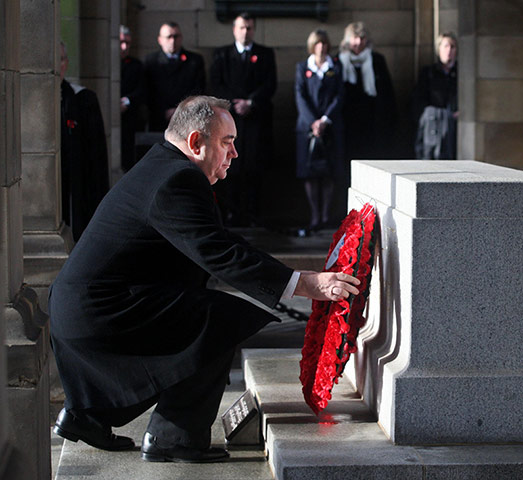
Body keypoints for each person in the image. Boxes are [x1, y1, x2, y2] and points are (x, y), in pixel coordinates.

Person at [49, 95, 360, 463]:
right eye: (227, 142)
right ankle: (174, 437)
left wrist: (296, 278)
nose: (235, 153)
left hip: (83, 308)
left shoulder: (164, 165)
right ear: (196, 142)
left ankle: (86, 417)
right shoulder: (175, 179)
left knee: (194, 316)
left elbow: (219, 242)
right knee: (220, 320)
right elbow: (220, 254)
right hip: (99, 313)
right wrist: (306, 284)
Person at [210, 12, 277, 226]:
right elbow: (215, 85)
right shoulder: (221, 55)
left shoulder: (265, 54)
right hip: (230, 121)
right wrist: (233, 104)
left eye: (249, 28)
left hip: (256, 122)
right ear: (234, 30)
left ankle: (252, 214)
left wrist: (251, 103)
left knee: (254, 168)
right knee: (230, 167)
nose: (245, 32)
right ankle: (231, 214)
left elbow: (270, 84)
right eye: (241, 27)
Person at [294, 29, 344, 231]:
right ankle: (314, 214)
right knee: (310, 173)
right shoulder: (302, 68)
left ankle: (325, 215)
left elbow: (339, 96)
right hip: (307, 129)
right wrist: (313, 122)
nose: (321, 47)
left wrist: (324, 120)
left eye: (324, 43)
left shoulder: (336, 68)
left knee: (329, 173)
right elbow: (300, 96)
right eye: (317, 43)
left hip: (330, 128)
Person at [60, 41, 109, 242]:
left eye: (61, 59)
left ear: (67, 63)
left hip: (79, 184)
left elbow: (96, 156)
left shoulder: (84, 99)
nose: (57, 65)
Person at [338, 22, 397, 162]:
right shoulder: (339, 62)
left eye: (362, 38)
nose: (358, 42)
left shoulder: (377, 60)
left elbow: (387, 92)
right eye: (355, 38)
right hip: (348, 121)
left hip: (372, 121)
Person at [144, 22, 206, 131]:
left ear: (181, 38)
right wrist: (164, 110)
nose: (172, 41)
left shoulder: (194, 61)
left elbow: (198, 89)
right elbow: (148, 91)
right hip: (159, 119)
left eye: (176, 36)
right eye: (168, 37)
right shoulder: (150, 61)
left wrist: (179, 110)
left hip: (187, 119)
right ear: (160, 40)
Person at [412, 32, 458, 159]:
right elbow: (418, 100)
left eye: (452, 47)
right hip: (433, 124)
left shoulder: (462, 73)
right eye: (446, 46)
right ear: (439, 49)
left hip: (454, 127)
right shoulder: (429, 73)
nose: (449, 50)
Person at [120, 25, 144, 171]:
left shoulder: (136, 65)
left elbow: (141, 90)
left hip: (130, 119)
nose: (124, 47)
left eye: (127, 43)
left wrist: (126, 101)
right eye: (121, 42)